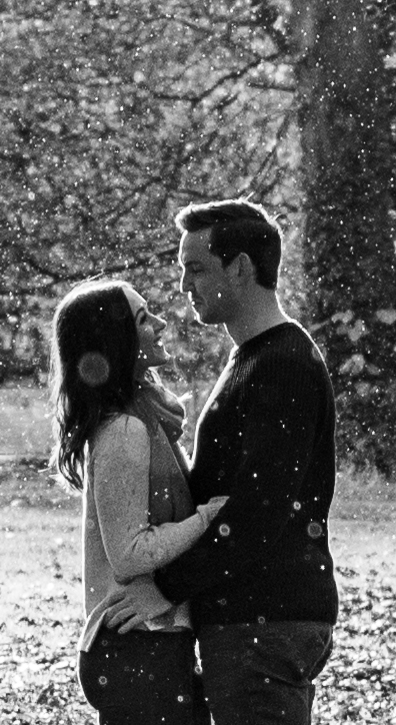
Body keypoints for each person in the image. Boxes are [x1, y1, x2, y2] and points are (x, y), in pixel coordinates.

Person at [100, 199, 339, 725]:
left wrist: (162, 590)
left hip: (264, 618)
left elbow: (258, 511)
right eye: (183, 270)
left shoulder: (283, 364)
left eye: (198, 268)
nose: (185, 286)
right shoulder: (254, 358)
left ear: (241, 268)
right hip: (252, 616)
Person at [50, 279, 228, 725]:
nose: (162, 324)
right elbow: (129, 555)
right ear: (118, 341)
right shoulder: (125, 431)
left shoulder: (142, 420)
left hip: (147, 646)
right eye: (144, 319)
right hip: (138, 646)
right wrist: (208, 518)